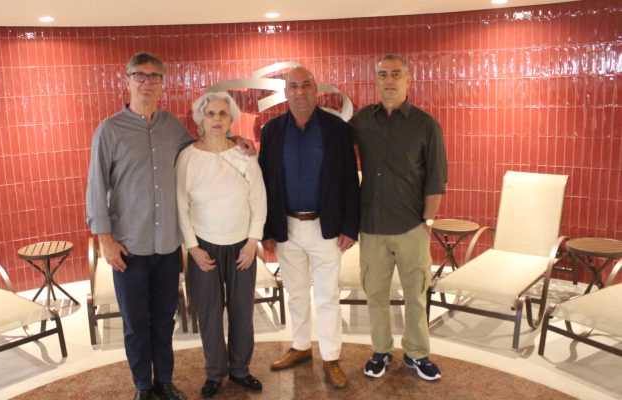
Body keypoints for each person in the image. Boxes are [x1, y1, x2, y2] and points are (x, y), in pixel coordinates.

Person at [86, 53, 253, 400]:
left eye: (154, 76)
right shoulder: (109, 130)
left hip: (166, 245)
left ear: (162, 83)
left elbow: (204, 146)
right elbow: (96, 186)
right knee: (136, 323)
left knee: (164, 319)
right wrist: (105, 238)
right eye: (139, 75)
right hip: (129, 245)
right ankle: (143, 386)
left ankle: (164, 380)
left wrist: (235, 140)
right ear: (127, 80)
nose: (146, 82)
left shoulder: (172, 126)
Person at [258, 67, 360, 389]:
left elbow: (350, 179)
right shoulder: (272, 131)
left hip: (325, 226)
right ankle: (301, 346)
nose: (300, 92)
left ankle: (331, 357)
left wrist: (350, 227)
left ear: (316, 90)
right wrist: (266, 230)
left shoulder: (337, 129)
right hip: (286, 226)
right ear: (285, 92)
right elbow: (264, 182)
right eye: (293, 86)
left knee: (327, 295)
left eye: (306, 85)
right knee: (297, 292)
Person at [349, 54, 448, 381]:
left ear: (408, 80)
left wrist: (427, 223)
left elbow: (436, 179)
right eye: (383, 75)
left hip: (411, 227)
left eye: (395, 74)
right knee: (375, 295)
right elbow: (331, 145)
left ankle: (417, 353)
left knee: (415, 296)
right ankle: (380, 351)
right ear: (376, 80)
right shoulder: (362, 121)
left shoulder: (426, 125)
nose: (389, 80)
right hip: (372, 227)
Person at [176, 92, 267, 398]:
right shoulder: (188, 157)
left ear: (231, 120)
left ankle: (240, 370)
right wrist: (193, 248)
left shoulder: (244, 155)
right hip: (204, 248)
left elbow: (258, 200)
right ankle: (215, 373)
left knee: (242, 311)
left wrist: (252, 242)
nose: (216, 119)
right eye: (210, 113)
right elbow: (181, 206)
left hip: (242, 247)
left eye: (222, 114)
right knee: (209, 312)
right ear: (200, 119)